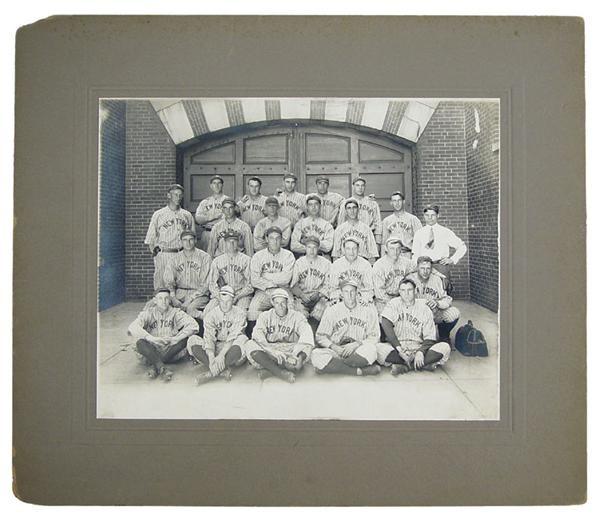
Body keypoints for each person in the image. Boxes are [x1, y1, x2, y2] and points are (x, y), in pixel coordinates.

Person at [376, 278, 451, 375]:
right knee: (378, 348)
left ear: (415, 291)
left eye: (409, 290)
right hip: (398, 347)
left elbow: (430, 337)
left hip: (418, 346)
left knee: (445, 347)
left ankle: (405, 366)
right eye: (403, 290)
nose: (406, 293)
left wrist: (420, 352)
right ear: (399, 292)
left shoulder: (424, 306)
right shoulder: (394, 303)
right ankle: (422, 365)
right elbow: (385, 323)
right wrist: (399, 349)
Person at [311, 280, 382, 376]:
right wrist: (334, 347)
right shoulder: (332, 310)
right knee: (315, 355)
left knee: (372, 350)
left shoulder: (368, 310)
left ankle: (332, 367)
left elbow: (374, 336)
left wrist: (356, 344)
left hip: (358, 350)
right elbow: (320, 336)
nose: (349, 295)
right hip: (338, 350)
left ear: (357, 293)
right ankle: (359, 371)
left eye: (352, 291)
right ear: (341, 294)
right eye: (346, 292)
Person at [128, 288, 199, 381]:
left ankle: (156, 365)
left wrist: (177, 339)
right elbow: (132, 327)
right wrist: (151, 338)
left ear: (170, 300)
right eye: (160, 298)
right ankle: (162, 368)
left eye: (166, 298)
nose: (164, 301)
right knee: (140, 342)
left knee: (186, 338)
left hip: (170, 349)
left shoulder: (175, 312)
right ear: (155, 300)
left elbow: (194, 326)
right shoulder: (148, 313)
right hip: (152, 348)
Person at [244, 289, 314, 383]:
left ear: (287, 302)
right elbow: (257, 335)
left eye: (283, 303)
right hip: (270, 350)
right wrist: (272, 351)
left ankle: (270, 370)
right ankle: (280, 373)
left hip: (290, 349)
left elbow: (307, 333)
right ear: (272, 303)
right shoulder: (265, 316)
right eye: (277, 303)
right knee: (250, 344)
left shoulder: (297, 316)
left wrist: (295, 354)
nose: (280, 306)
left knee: (307, 348)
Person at [187, 286, 249, 385]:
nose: (225, 304)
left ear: (233, 300)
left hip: (232, 349)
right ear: (219, 299)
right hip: (216, 347)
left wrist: (221, 355)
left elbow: (234, 336)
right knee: (192, 340)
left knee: (243, 339)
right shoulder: (211, 314)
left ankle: (211, 373)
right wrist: (211, 357)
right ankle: (220, 370)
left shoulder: (240, 313)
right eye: (222, 301)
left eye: (228, 301)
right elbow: (209, 337)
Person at [144, 183, 195, 290]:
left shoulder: (187, 215)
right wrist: (157, 255)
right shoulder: (159, 214)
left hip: (182, 253)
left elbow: (192, 237)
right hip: (165, 253)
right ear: (169, 195)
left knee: (181, 285)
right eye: (175, 194)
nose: (178, 197)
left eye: (180, 195)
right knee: (162, 286)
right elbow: (150, 239)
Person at [406, 256, 461, 344]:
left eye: (428, 268)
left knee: (454, 313)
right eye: (422, 268)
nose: (425, 271)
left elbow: (447, 299)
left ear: (431, 269)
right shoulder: (409, 279)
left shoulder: (436, 279)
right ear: (417, 268)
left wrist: (437, 303)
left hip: (433, 313)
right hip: (415, 315)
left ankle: (444, 335)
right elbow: (403, 300)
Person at [247, 226, 296, 325]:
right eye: (272, 238)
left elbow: (286, 278)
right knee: (253, 309)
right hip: (263, 291)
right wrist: (273, 281)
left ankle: (287, 338)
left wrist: (264, 275)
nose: (275, 241)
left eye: (278, 238)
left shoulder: (288, 255)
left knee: (290, 308)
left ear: (281, 239)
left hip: (283, 290)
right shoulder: (258, 256)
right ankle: (256, 337)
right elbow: (254, 280)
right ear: (266, 239)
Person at [163, 230, 211, 320]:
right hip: (179, 293)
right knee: (160, 305)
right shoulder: (174, 259)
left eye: (190, 240)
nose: (188, 243)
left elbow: (206, 284)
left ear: (195, 240)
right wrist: (173, 297)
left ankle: (208, 322)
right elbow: (169, 281)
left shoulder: (205, 257)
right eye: (185, 240)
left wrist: (189, 300)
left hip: (199, 294)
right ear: (181, 242)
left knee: (190, 309)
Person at [411, 204, 467, 281]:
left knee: (442, 290)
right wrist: (416, 268)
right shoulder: (419, 233)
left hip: (440, 267)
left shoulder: (445, 232)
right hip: (424, 267)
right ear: (424, 216)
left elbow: (462, 247)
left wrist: (452, 259)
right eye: (427, 215)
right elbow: (415, 254)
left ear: (438, 215)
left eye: (433, 215)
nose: (430, 218)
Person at [205, 229, 253, 314]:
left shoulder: (246, 260)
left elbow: (250, 285)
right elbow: (212, 284)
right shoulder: (217, 261)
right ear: (224, 243)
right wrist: (221, 297)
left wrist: (238, 296)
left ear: (238, 242)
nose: (231, 244)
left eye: (234, 241)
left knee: (241, 313)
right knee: (208, 311)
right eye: (228, 241)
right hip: (222, 294)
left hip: (241, 294)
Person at [290, 236, 331, 322]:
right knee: (299, 315)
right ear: (305, 248)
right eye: (309, 247)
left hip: (320, 297)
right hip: (302, 297)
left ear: (318, 248)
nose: (312, 250)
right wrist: (301, 295)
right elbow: (293, 285)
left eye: (314, 247)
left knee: (320, 314)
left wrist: (319, 294)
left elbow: (329, 284)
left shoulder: (326, 263)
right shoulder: (299, 263)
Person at [372, 236, 416, 315]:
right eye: (392, 248)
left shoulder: (405, 262)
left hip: (401, 298)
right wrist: (396, 304)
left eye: (398, 248)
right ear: (386, 249)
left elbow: (420, 267)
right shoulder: (379, 266)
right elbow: (380, 293)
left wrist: (437, 274)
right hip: (383, 302)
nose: (395, 252)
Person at [337, 177, 383, 248]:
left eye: (362, 185)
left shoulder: (372, 203)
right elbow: (341, 223)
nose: (360, 188)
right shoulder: (346, 203)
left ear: (365, 187)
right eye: (357, 185)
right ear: (353, 186)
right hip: (350, 237)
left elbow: (378, 223)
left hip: (368, 237)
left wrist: (378, 243)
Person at [328, 236, 375, 304]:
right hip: (341, 299)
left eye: (354, 248)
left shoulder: (366, 265)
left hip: (360, 299)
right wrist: (338, 297)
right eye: (348, 249)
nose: (351, 252)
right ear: (343, 249)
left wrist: (365, 298)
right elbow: (333, 288)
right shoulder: (336, 265)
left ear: (358, 249)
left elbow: (370, 289)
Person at [332, 198, 378, 263]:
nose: (352, 211)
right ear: (346, 211)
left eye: (354, 208)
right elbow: (335, 255)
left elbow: (372, 254)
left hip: (362, 262)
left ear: (358, 210)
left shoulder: (366, 229)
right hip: (344, 263)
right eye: (349, 208)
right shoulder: (339, 229)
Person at [381, 191, 422, 259]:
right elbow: (384, 243)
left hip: (407, 254)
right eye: (394, 201)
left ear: (403, 201)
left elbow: (420, 240)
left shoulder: (413, 219)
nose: (397, 203)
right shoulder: (386, 221)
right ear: (391, 203)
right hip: (392, 255)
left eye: (399, 200)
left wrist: (417, 257)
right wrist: (383, 259)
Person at [195, 174, 227, 252]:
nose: (217, 185)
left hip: (222, 233)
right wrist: (211, 217)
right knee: (207, 257)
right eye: (214, 183)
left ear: (222, 185)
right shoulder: (205, 202)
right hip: (208, 232)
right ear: (211, 186)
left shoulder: (227, 200)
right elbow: (198, 219)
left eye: (219, 183)